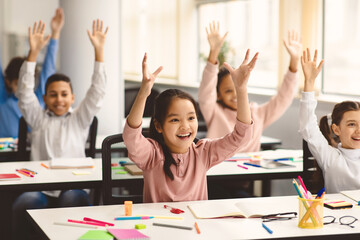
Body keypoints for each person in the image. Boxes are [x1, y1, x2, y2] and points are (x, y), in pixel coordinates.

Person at [12, 19, 108, 239]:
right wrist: (33, 54)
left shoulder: (79, 118)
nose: (59, 100)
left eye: (64, 94)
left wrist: (99, 52)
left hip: (72, 187)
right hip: (40, 187)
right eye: (53, 95)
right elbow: (25, 93)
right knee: (24, 203)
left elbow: (97, 91)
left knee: (72, 200)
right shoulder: (37, 118)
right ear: (44, 98)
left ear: (72, 97)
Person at [123, 50, 257, 203]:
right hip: (157, 225)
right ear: (158, 126)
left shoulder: (203, 153)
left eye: (191, 118)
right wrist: (143, 94)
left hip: (195, 224)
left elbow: (242, 137)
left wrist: (241, 90)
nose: (185, 126)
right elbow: (131, 136)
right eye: (175, 120)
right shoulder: (151, 155)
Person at [199, 22, 302, 152]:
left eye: (238, 88)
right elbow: (206, 92)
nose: (235, 94)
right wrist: (213, 53)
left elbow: (283, 99)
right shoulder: (214, 111)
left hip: (250, 168)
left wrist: (294, 62)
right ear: (218, 94)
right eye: (228, 91)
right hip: (221, 166)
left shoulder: (256, 112)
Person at [299, 48, 360, 194]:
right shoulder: (329, 156)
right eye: (352, 124)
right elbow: (308, 127)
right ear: (336, 129)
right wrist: (309, 83)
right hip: (338, 215)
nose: (358, 131)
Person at [0, 8, 64, 138]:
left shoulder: (38, 98)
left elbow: (48, 70)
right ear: (8, 82)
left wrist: (55, 34)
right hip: (7, 156)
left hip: (33, 153)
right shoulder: (3, 99)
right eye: (18, 83)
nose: (23, 88)